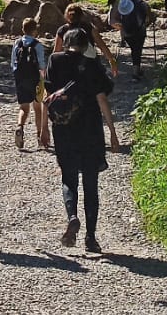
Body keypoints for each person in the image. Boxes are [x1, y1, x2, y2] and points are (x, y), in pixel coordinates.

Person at [45, 26, 115, 253]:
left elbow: (48, 93)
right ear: (86, 46)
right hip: (90, 130)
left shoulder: (55, 61)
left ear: (65, 42)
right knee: (91, 184)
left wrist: (43, 128)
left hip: (64, 128)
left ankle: (72, 216)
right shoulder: (92, 65)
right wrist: (113, 132)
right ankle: (91, 238)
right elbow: (104, 94)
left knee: (68, 178)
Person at [56, 3, 125, 149]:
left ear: (66, 15)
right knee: (101, 99)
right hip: (91, 67)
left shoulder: (62, 30)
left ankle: (75, 138)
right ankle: (113, 135)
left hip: (71, 69)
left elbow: (56, 53)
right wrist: (112, 61)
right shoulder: (88, 27)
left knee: (72, 100)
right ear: (82, 15)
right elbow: (101, 45)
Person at [10, 16, 50, 151]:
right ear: (35, 31)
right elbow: (41, 64)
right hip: (35, 79)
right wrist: (43, 79)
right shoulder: (37, 45)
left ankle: (20, 126)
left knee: (24, 107)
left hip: (21, 78)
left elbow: (13, 63)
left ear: (22, 29)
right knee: (37, 108)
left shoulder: (17, 43)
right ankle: (39, 136)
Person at [118, 0, 150, 75]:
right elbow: (148, 20)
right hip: (140, 32)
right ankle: (136, 72)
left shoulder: (125, 4)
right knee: (137, 50)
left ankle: (137, 69)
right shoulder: (144, 5)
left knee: (134, 50)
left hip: (126, 33)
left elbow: (120, 18)